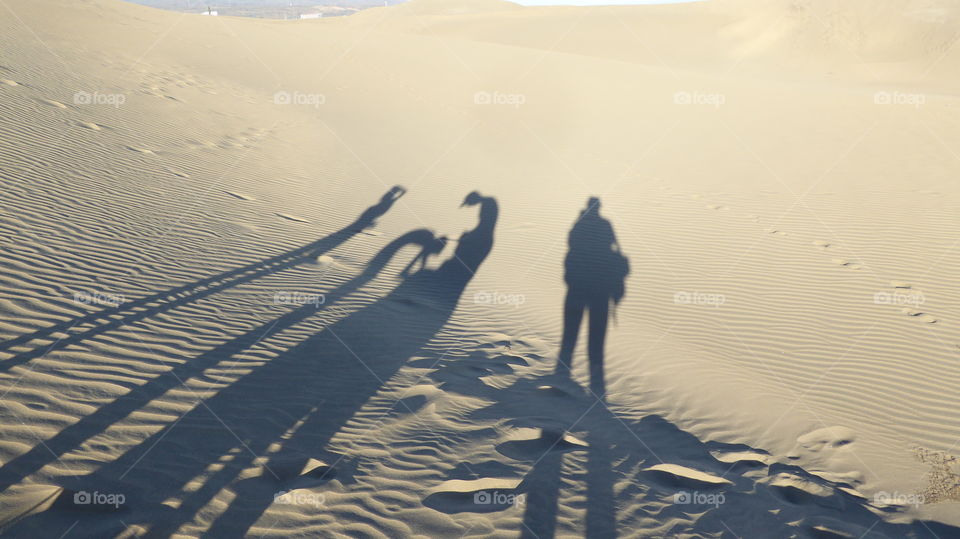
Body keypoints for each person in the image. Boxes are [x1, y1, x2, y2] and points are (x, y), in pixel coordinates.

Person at [556, 197, 629, 396]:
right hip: (599, 292)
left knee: (570, 336)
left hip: (577, 289)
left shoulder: (578, 227)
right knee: (596, 339)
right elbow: (615, 249)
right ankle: (596, 387)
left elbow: (570, 249)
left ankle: (561, 378)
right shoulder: (605, 227)